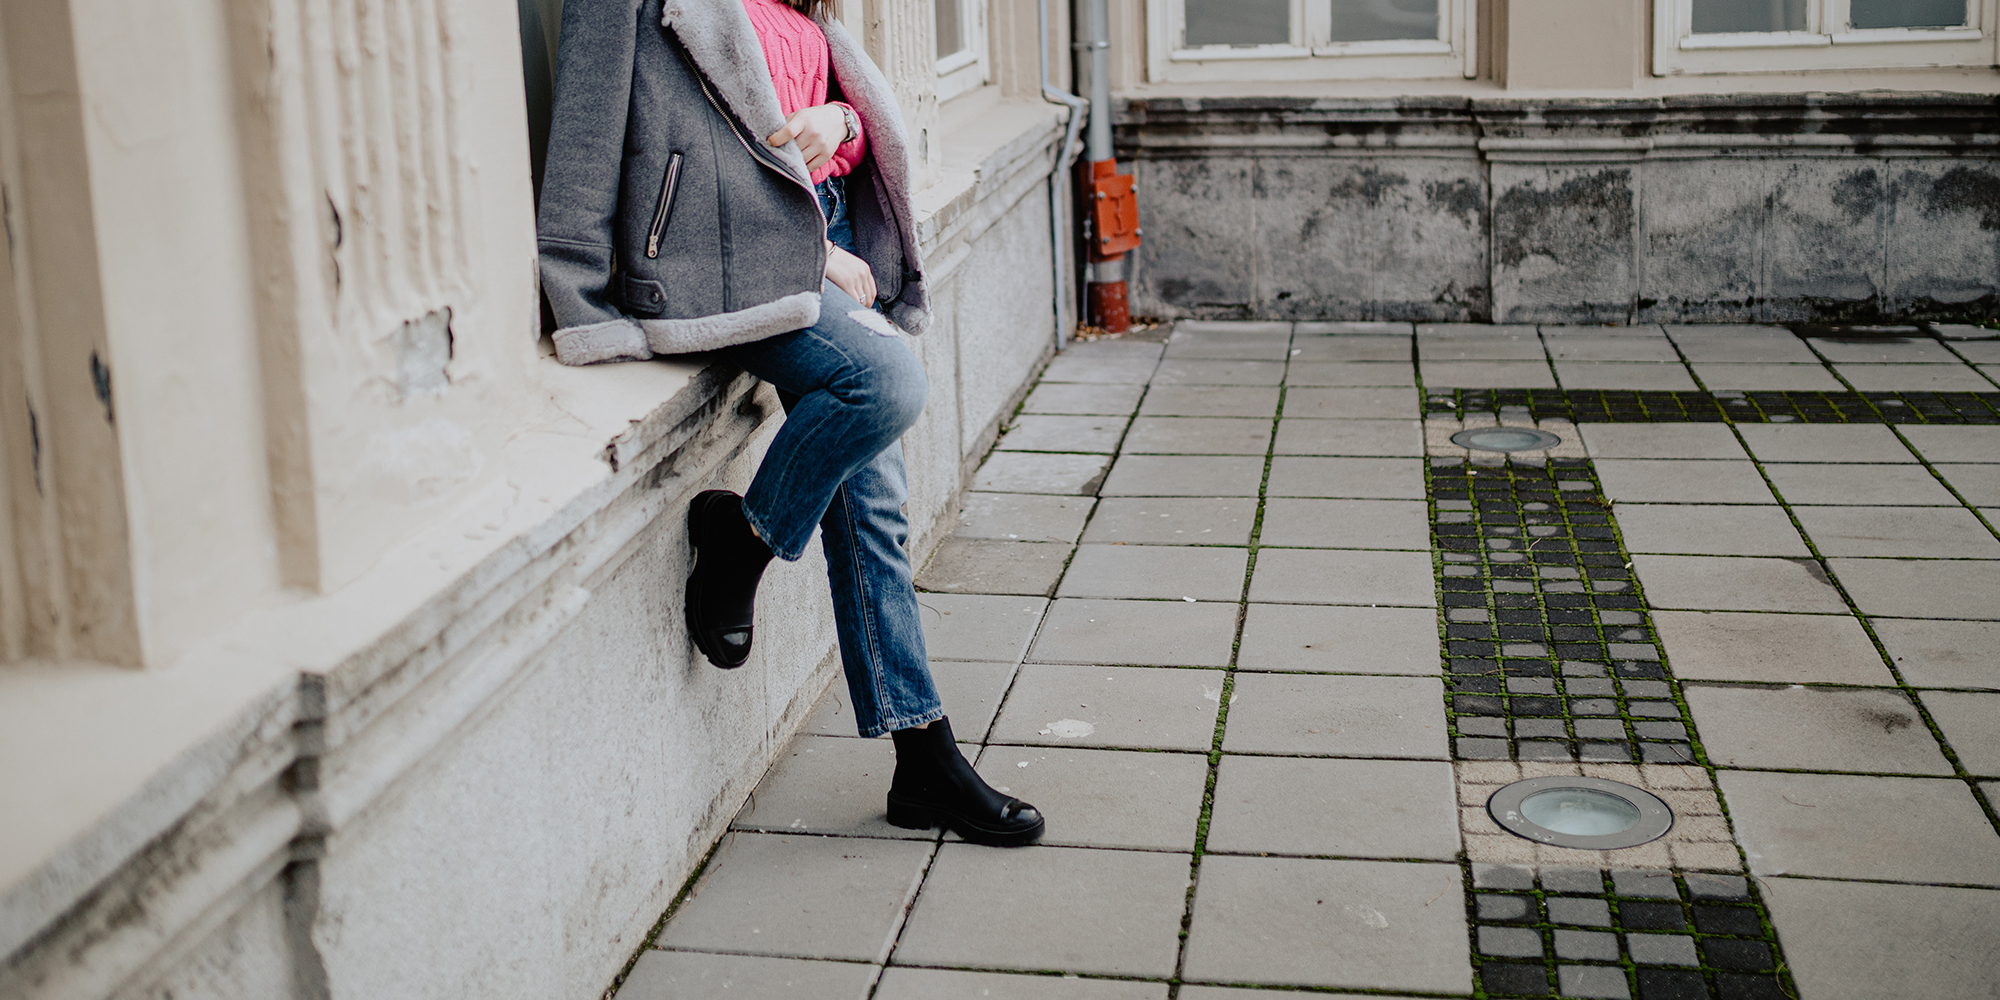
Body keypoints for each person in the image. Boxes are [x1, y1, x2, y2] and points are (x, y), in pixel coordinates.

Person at [536, 0, 1043, 846]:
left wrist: (842, 118)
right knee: (884, 385)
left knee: (876, 510)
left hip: (829, 235)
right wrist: (582, 306)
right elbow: (584, 140)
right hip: (734, 266)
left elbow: (828, 122)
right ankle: (741, 542)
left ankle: (923, 756)